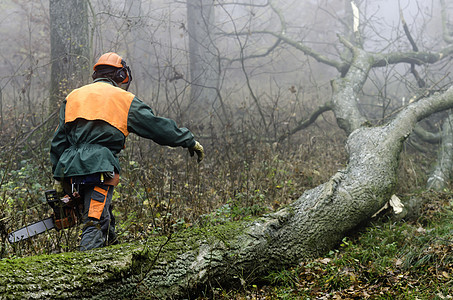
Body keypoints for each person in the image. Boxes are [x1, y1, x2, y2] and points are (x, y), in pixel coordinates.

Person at [50, 52, 204, 251]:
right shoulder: (123, 99)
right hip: (99, 166)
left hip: (71, 166)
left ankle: (113, 253)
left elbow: (59, 140)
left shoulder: (74, 96)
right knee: (94, 220)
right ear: (121, 75)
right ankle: (85, 267)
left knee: (102, 213)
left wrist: (58, 175)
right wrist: (188, 140)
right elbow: (156, 126)